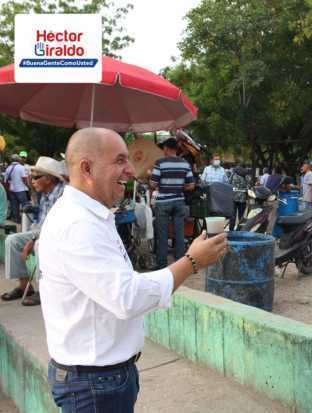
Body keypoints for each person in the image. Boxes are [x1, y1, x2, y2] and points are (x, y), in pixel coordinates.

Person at [38, 128, 227, 413]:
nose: (130, 169)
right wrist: (190, 262)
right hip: (94, 384)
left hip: (102, 378)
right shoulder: (77, 225)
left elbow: (120, 283)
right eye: (119, 160)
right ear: (87, 168)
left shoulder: (91, 215)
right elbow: (126, 297)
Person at [1, 156, 65, 306]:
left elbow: (56, 225)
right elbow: (43, 217)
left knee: (38, 245)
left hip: (55, 234)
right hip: (41, 230)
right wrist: (34, 209)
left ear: (49, 179)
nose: (32, 180)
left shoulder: (62, 194)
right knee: (12, 240)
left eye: (36, 177)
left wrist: (34, 240)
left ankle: (44, 290)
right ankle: (25, 286)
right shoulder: (46, 193)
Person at [150, 138, 195, 270]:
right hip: (179, 202)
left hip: (163, 202)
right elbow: (191, 185)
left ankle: (162, 264)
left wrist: (150, 176)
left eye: (163, 148)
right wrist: (179, 187)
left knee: (162, 234)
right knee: (179, 234)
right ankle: (180, 265)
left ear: (167, 148)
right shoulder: (185, 164)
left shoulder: (160, 163)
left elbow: (153, 184)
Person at [3, 154, 29, 221]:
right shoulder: (21, 167)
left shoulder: (8, 168)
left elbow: (5, 181)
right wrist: (29, 186)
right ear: (18, 160)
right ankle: (26, 220)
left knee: (14, 206)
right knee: (25, 206)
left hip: (12, 190)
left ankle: (17, 219)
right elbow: (24, 179)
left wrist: (7, 191)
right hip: (21, 190)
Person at [229, 165, 249, 230]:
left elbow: (229, 183)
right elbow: (248, 187)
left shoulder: (233, 174)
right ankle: (239, 230)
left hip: (233, 197)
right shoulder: (246, 176)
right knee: (241, 216)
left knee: (232, 216)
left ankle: (231, 230)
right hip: (242, 199)